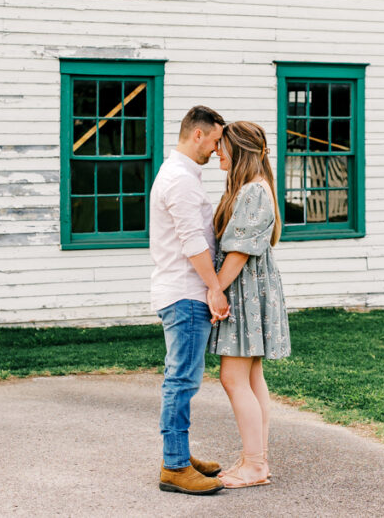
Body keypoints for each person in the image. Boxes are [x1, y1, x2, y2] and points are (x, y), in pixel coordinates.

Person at [149, 105, 229, 495]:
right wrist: (215, 288)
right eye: (215, 140)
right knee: (181, 380)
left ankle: (179, 454)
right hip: (185, 293)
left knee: (184, 379)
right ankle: (175, 466)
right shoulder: (179, 179)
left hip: (184, 291)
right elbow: (193, 242)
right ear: (198, 134)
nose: (217, 149)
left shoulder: (182, 175)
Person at [207, 120, 291, 489]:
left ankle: (255, 465)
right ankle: (255, 457)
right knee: (252, 376)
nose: (217, 152)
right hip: (250, 289)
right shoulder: (254, 187)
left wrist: (215, 290)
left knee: (233, 377)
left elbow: (239, 252)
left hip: (244, 290)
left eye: (222, 146)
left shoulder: (253, 191)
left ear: (238, 149)